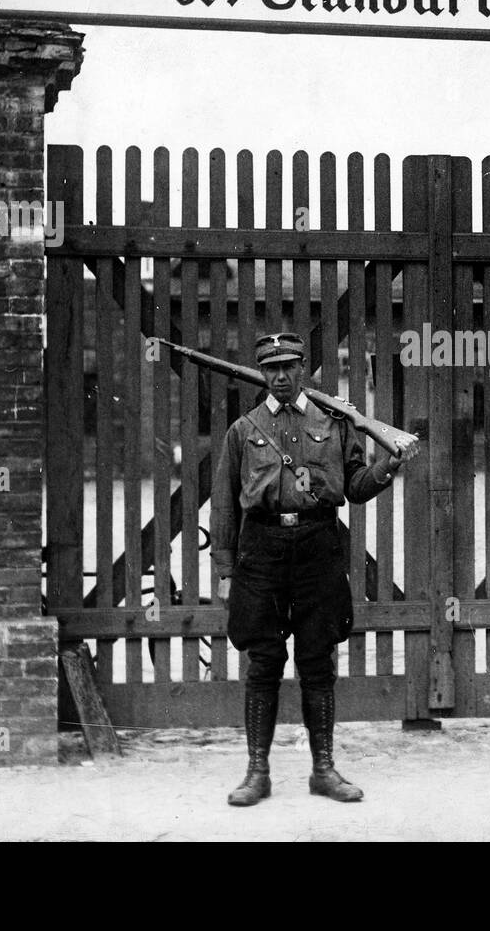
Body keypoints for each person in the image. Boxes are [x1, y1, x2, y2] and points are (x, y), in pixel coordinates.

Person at [210, 331, 418, 805]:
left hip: (318, 546)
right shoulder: (243, 430)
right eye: (271, 369)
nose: (280, 377)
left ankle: (323, 769)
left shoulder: (334, 422)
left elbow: (357, 486)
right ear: (262, 373)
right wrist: (225, 572)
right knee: (263, 662)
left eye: (288, 367)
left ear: (303, 368)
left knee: (317, 660)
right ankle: (257, 772)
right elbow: (223, 506)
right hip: (260, 551)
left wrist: (388, 464)